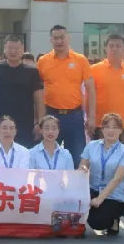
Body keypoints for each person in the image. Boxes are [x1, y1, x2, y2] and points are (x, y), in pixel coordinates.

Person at [37, 25, 95, 168]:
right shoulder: (43, 61)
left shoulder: (80, 60)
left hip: (74, 116)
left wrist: (91, 117)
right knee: (48, 158)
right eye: (55, 38)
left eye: (62, 37)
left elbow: (91, 89)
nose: (59, 41)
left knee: (78, 158)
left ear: (68, 38)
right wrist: (39, 119)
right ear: (51, 40)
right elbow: (38, 91)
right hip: (51, 114)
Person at [79, 113, 124, 235]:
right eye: (107, 127)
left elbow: (117, 179)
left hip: (112, 195)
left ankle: (114, 219)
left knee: (97, 223)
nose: (111, 130)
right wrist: (83, 168)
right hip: (92, 190)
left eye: (115, 127)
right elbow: (82, 165)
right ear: (102, 129)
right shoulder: (92, 145)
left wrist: (100, 198)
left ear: (120, 130)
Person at [0, 35, 44, 148]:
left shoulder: (32, 71)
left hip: (25, 122)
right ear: (4, 49)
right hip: (1, 121)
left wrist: (40, 123)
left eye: (17, 48)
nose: (13, 51)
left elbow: (39, 100)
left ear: (23, 50)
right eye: (10, 48)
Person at [89, 34, 124, 145]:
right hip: (101, 124)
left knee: (123, 155)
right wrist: (90, 119)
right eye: (111, 46)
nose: (114, 49)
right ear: (105, 48)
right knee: (100, 155)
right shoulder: (94, 70)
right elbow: (88, 98)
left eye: (118, 46)